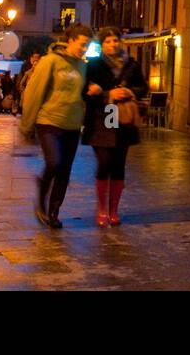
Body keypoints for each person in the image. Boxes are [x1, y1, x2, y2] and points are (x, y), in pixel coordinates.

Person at [20, 26, 91, 228]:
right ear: (70, 40)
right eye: (82, 44)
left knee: (65, 170)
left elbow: (81, 94)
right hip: (49, 121)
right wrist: (27, 125)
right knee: (54, 163)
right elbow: (34, 92)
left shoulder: (83, 66)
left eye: (87, 45)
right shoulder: (50, 61)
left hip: (73, 124)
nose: (84, 48)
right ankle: (41, 201)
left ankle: (54, 211)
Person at [83, 27, 148, 226]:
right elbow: (84, 91)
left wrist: (129, 91)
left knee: (119, 164)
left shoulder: (132, 65)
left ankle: (113, 210)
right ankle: (102, 208)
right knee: (104, 162)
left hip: (123, 119)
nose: (112, 45)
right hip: (102, 118)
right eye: (108, 42)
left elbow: (143, 87)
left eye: (115, 41)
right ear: (102, 45)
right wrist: (108, 95)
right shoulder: (93, 65)